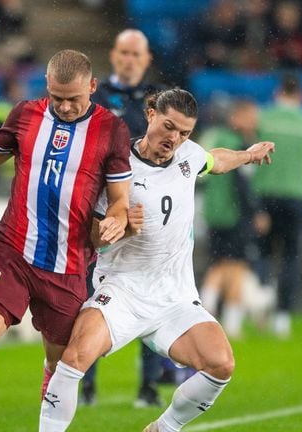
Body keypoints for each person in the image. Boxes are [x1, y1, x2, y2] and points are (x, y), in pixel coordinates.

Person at [0, 50, 132, 432]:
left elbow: (119, 202)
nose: (64, 107)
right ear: (46, 88)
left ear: (93, 87)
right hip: (12, 252)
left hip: (68, 267)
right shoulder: (26, 115)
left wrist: (116, 222)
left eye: (74, 99)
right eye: (57, 97)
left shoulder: (112, 130)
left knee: (62, 367)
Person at [38, 89, 275, 432]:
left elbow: (214, 160)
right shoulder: (117, 167)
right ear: (150, 114)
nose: (174, 139)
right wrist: (119, 228)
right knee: (73, 359)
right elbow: (90, 238)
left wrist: (248, 155)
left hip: (175, 297)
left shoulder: (189, 155)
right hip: (122, 290)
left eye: (184, 133)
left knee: (220, 364)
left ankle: (163, 429)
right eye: (168, 127)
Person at [86, 28, 165, 408]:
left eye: (137, 54)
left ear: (147, 59)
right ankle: (84, 383)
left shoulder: (160, 101)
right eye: (124, 53)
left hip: (147, 209)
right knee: (89, 294)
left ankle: (148, 386)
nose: (130, 59)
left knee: (150, 293)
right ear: (114, 56)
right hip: (100, 207)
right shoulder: (94, 97)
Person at [252, 73, 302, 338]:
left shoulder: (263, 119)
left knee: (263, 254)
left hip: (265, 194)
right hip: (296, 195)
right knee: (291, 256)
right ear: (301, 96)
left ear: (278, 94)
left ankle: (261, 303)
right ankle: (283, 316)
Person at [197, 100, 261, 339]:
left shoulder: (214, 138)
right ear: (236, 117)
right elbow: (242, 185)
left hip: (212, 212)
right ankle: (232, 324)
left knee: (218, 265)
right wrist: (255, 212)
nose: (255, 121)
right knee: (237, 266)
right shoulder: (237, 146)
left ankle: (204, 312)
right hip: (233, 214)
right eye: (250, 115)